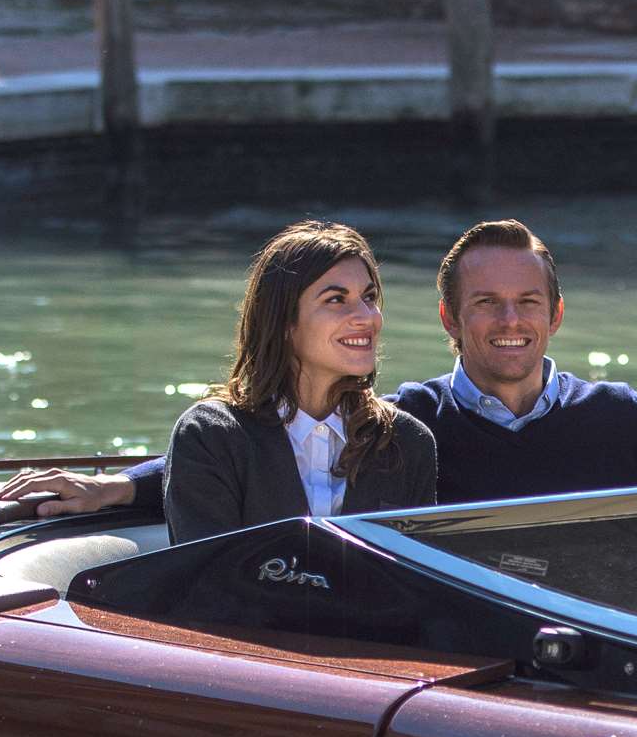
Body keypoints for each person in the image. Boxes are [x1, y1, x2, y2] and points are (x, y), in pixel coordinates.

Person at [10, 218, 637, 525]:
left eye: (527, 303)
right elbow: (247, 444)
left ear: (556, 314)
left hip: (598, 649)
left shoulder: (617, 416)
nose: (509, 322)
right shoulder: (414, 424)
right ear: (449, 321)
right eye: (485, 303)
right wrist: (120, 486)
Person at [134, 221, 436, 543]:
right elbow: (208, 582)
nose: (367, 316)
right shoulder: (212, 436)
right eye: (336, 299)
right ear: (282, 321)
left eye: (369, 297)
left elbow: (411, 584)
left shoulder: (408, 442)